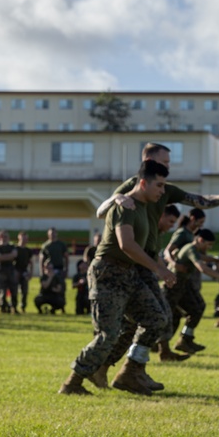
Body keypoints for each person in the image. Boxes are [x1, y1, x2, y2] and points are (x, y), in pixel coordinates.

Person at [95, 143, 219, 363]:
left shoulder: (165, 189)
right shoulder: (132, 185)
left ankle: (127, 367)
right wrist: (116, 198)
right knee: (149, 318)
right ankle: (118, 367)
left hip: (147, 258)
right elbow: (101, 212)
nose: (169, 166)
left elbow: (199, 200)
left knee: (154, 317)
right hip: (134, 260)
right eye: (165, 162)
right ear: (148, 160)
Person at [59, 160, 174, 396]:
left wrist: (160, 266)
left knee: (155, 319)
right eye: (159, 186)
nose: (162, 192)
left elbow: (146, 248)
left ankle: (130, 372)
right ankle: (72, 383)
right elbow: (127, 244)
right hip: (108, 274)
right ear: (143, 183)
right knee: (107, 334)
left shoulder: (143, 208)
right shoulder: (126, 206)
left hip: (128, 274)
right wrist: (158, 269)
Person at [168, 228, 219, 353]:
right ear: (200, 240)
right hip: (173, 287)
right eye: (208, 245)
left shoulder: (193, 249)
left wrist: (216, 260)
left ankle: (185, 340)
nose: (209, 247)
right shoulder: (191, 248)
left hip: (183, 286)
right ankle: (162, 345)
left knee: (197, 308)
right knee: (171, 315)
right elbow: (202, 267)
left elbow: (202, 257)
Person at [0, 230, 19, 313]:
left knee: (13, 290)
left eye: (6, 236)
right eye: (2, 236)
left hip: (11, 270)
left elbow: (14, 255)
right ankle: (2, 307)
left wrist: (4, 256)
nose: (4, 238)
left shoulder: (12, 246)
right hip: (1, 270)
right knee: (2, 290)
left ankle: (14, 307)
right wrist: (9, 256)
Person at [13, 231, 33, 313]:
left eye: (26, 238)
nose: (24, 240)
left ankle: (23, 306)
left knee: (24, 291)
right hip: (16, 271)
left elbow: (31, 262)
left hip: (24, 271)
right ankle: (13, 306)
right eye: (23, 238)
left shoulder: (28, 250)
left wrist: (30, 272)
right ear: (19, 238)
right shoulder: (15, 249)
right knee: (14, 290)